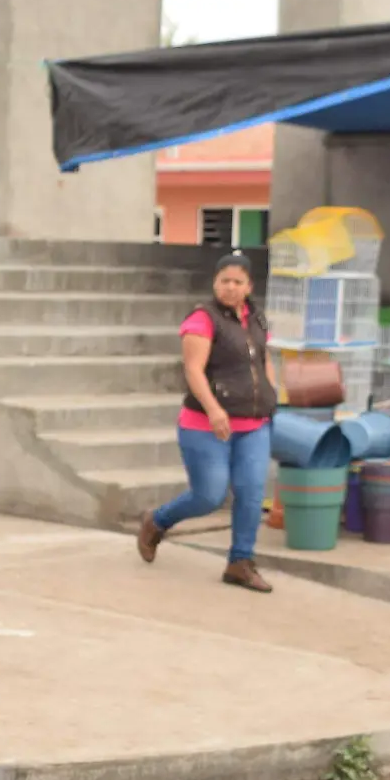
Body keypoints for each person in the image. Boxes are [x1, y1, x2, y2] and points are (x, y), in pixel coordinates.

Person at [135, 251, 279, 593]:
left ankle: (240, 562)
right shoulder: (203, 319)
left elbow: (264, 360)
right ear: (215, 284)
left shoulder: (256, 319)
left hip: (253, 425)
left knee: (251, 492)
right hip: (205, 426)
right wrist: (214, 410)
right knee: (209, 495)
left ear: (249, 286)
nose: (230, 287)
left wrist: (272, 393)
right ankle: (157, 521)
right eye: (224, 281)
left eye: (238, 282)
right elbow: (193, 370)